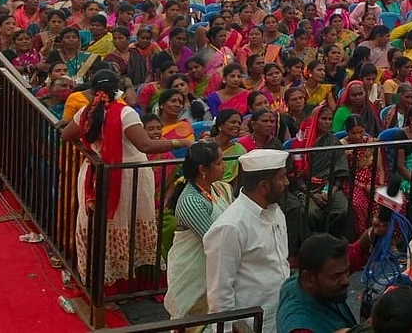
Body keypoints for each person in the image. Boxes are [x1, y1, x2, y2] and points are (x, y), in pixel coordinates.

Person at [60, 70, 191, 288]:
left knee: (100, 227)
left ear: (93, 91)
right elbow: (146, 145)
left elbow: (66, 136)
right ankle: (125, 283)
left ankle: (101, 283)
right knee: (126, 226)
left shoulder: (85, 112)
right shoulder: (125, 113)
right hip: (128, 177)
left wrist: (95, 151)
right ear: (117, 90)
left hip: (94, 174)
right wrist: (180, 143)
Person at [203, 148, 292, 333]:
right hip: (250, 325)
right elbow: (220, 293)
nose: (286, 182)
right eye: (282, 177)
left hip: (279, 317)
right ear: (264, 186)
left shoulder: (275, 212)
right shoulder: (230, 226)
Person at [164, 142, 234, 320]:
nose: (224, 166)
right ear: (203, 169)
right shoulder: (190, 201)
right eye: (219, 163)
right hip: (194, 271)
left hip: (214, 266)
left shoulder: (219, 188)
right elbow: (213, 240)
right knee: (190, 319)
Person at [277, 234, 359, 333]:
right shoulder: (300, 324)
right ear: (309, 278)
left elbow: (355, 254)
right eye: (336, 276)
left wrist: (370, 235)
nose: (346, 281)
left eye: (347, 271)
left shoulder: (303, 281)